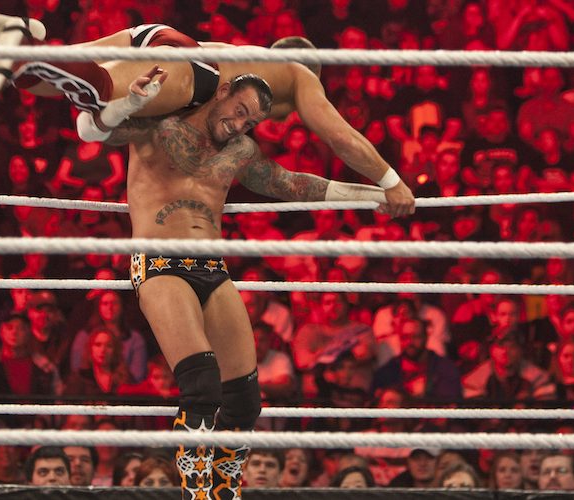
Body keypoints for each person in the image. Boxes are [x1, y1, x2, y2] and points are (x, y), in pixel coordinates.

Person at [93, 67, 412, 500]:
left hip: (212, 268)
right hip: (158, 260)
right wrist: (129, 100)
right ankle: (196, 495)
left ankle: (226, 492)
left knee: (245, 400)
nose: (240, 125)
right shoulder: (160, 122)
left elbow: (290, 184)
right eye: (239, 111)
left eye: (250, 122)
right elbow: (97, 131)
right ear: (222, 91)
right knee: (201, 385)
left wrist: (376, 194)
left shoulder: (239, 149)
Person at [0, 14, 416, 216]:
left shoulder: (252, 63)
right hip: (190, 65)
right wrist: (390, 183)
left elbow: (279, 180)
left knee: (40, 80)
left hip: (152, 36)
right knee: (98, 93)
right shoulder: (299, 76)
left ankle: (24, 39)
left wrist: (366, 196)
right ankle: (27, 45)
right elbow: (342, 138)